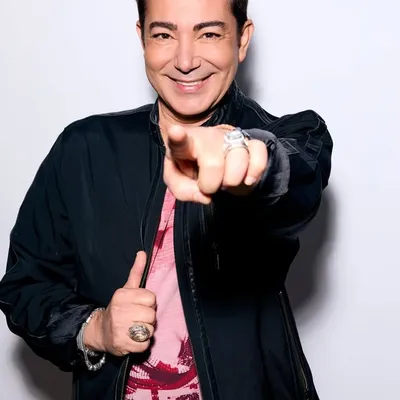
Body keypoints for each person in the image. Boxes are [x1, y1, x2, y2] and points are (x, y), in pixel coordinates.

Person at [0, 0, 333, 398]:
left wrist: (244, 156)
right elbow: (26, 286)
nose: (185, 61)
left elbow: (294, 177)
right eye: (163, 35)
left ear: (242, 40)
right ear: (141, 38)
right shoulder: (83, 149)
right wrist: (95, 328)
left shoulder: (296, 137)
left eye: (209, 33)